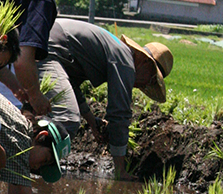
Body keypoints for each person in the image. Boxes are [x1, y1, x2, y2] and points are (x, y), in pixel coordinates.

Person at [39, 20, 173, 180]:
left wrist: (91, 120)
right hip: (49, 48)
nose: (144, 85)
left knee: (36, 114)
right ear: (145, 62)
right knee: (67, 121)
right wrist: (120, 170)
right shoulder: (126, 62)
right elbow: (119, 114)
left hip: (45, 43)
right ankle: (31, 167)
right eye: (151, 79)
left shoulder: (116, 52)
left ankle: (23, 177)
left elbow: (71, 85)